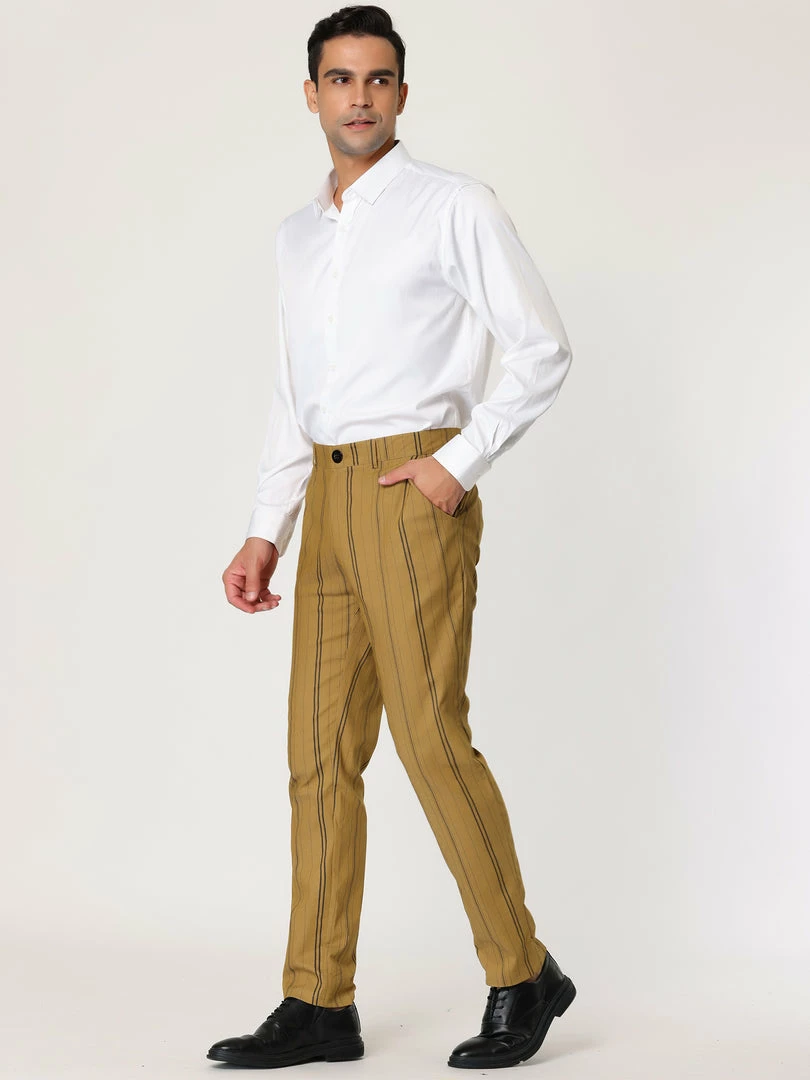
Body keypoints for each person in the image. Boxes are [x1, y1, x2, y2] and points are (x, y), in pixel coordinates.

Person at [210, 4, 576, 1071]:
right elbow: (296, 394)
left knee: (429, 738)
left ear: (403, 94)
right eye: (340, 78)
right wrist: (266, 529)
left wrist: (459, 462)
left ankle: (523, 970)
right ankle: (318, 1002)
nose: (359, 96)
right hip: (326, 499)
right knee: (317, 756)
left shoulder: (452, 205)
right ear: (311, 94)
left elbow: (542, 346)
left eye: (378, 79)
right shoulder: (296, 236)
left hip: (413, 488)